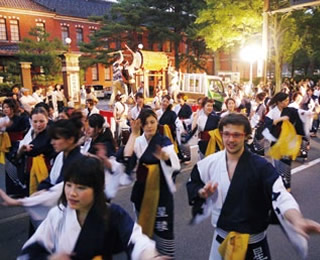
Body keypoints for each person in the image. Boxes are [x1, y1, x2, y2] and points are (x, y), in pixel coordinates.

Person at [186, 113, 320, 260]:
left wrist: (297, 219)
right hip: (221, 241)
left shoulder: (261, 167)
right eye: (227, 134)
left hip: (254, 243)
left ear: (246, 136)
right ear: (221, 134)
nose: (231, 139)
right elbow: (193, 182)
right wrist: (201, 192)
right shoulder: (210, 163)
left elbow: (281, 195)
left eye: (237, 135)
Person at [16, 156, 165, 260]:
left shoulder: (112, 214)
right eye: (68, 185)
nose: (72, 193)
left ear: (97, 188)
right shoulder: (57, 214)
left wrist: (150, 256)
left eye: (81, 187)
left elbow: (136, 239)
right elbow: (31, 249)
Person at [122, 109, 180, 257]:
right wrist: (133, 135)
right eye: (146, 123)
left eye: (152, 122)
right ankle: (146, 254)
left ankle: (164, 255)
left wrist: (165, 157)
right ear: (141, 125)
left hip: (160, 191)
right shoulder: (138, 141)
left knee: (162, 227)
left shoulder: (163, 141)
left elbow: (175, 164)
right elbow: (126, 158)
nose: (149, 126)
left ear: (157, 122)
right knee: (144, 225)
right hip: (142, 190)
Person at [17, 107, 55, 195]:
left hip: (49, 166)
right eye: (35, 122)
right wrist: (22, 149)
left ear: (47, 120)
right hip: (33, 166)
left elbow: (36, 148)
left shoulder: (49, 133)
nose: (38, 125)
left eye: (41, 121)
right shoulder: (31, 132)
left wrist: (25, 150)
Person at [2, 98, 30, 196]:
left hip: (18, 144)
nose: (5, 109)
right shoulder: (3, 119)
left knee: (20, 166)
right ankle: (12, 190)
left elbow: (27, 129)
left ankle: (21, 189)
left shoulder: (21, 118)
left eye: (8, 107)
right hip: (6, 145)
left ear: (13, 108)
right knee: (9, 167)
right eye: (4, 107)